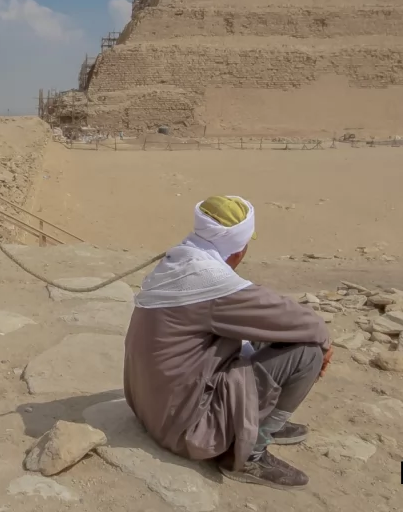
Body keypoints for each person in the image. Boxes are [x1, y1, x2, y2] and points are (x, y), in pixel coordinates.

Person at [123, 195, 333, 489]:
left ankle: (259, 422)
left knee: (266, 334)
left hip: (152, 408)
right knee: (307, 353)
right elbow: (306, 323)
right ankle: (250, 453)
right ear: (240, 248)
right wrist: (324, 346)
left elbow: (272, 318)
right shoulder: (212, 282)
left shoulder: (181, 259)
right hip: (185, 428)